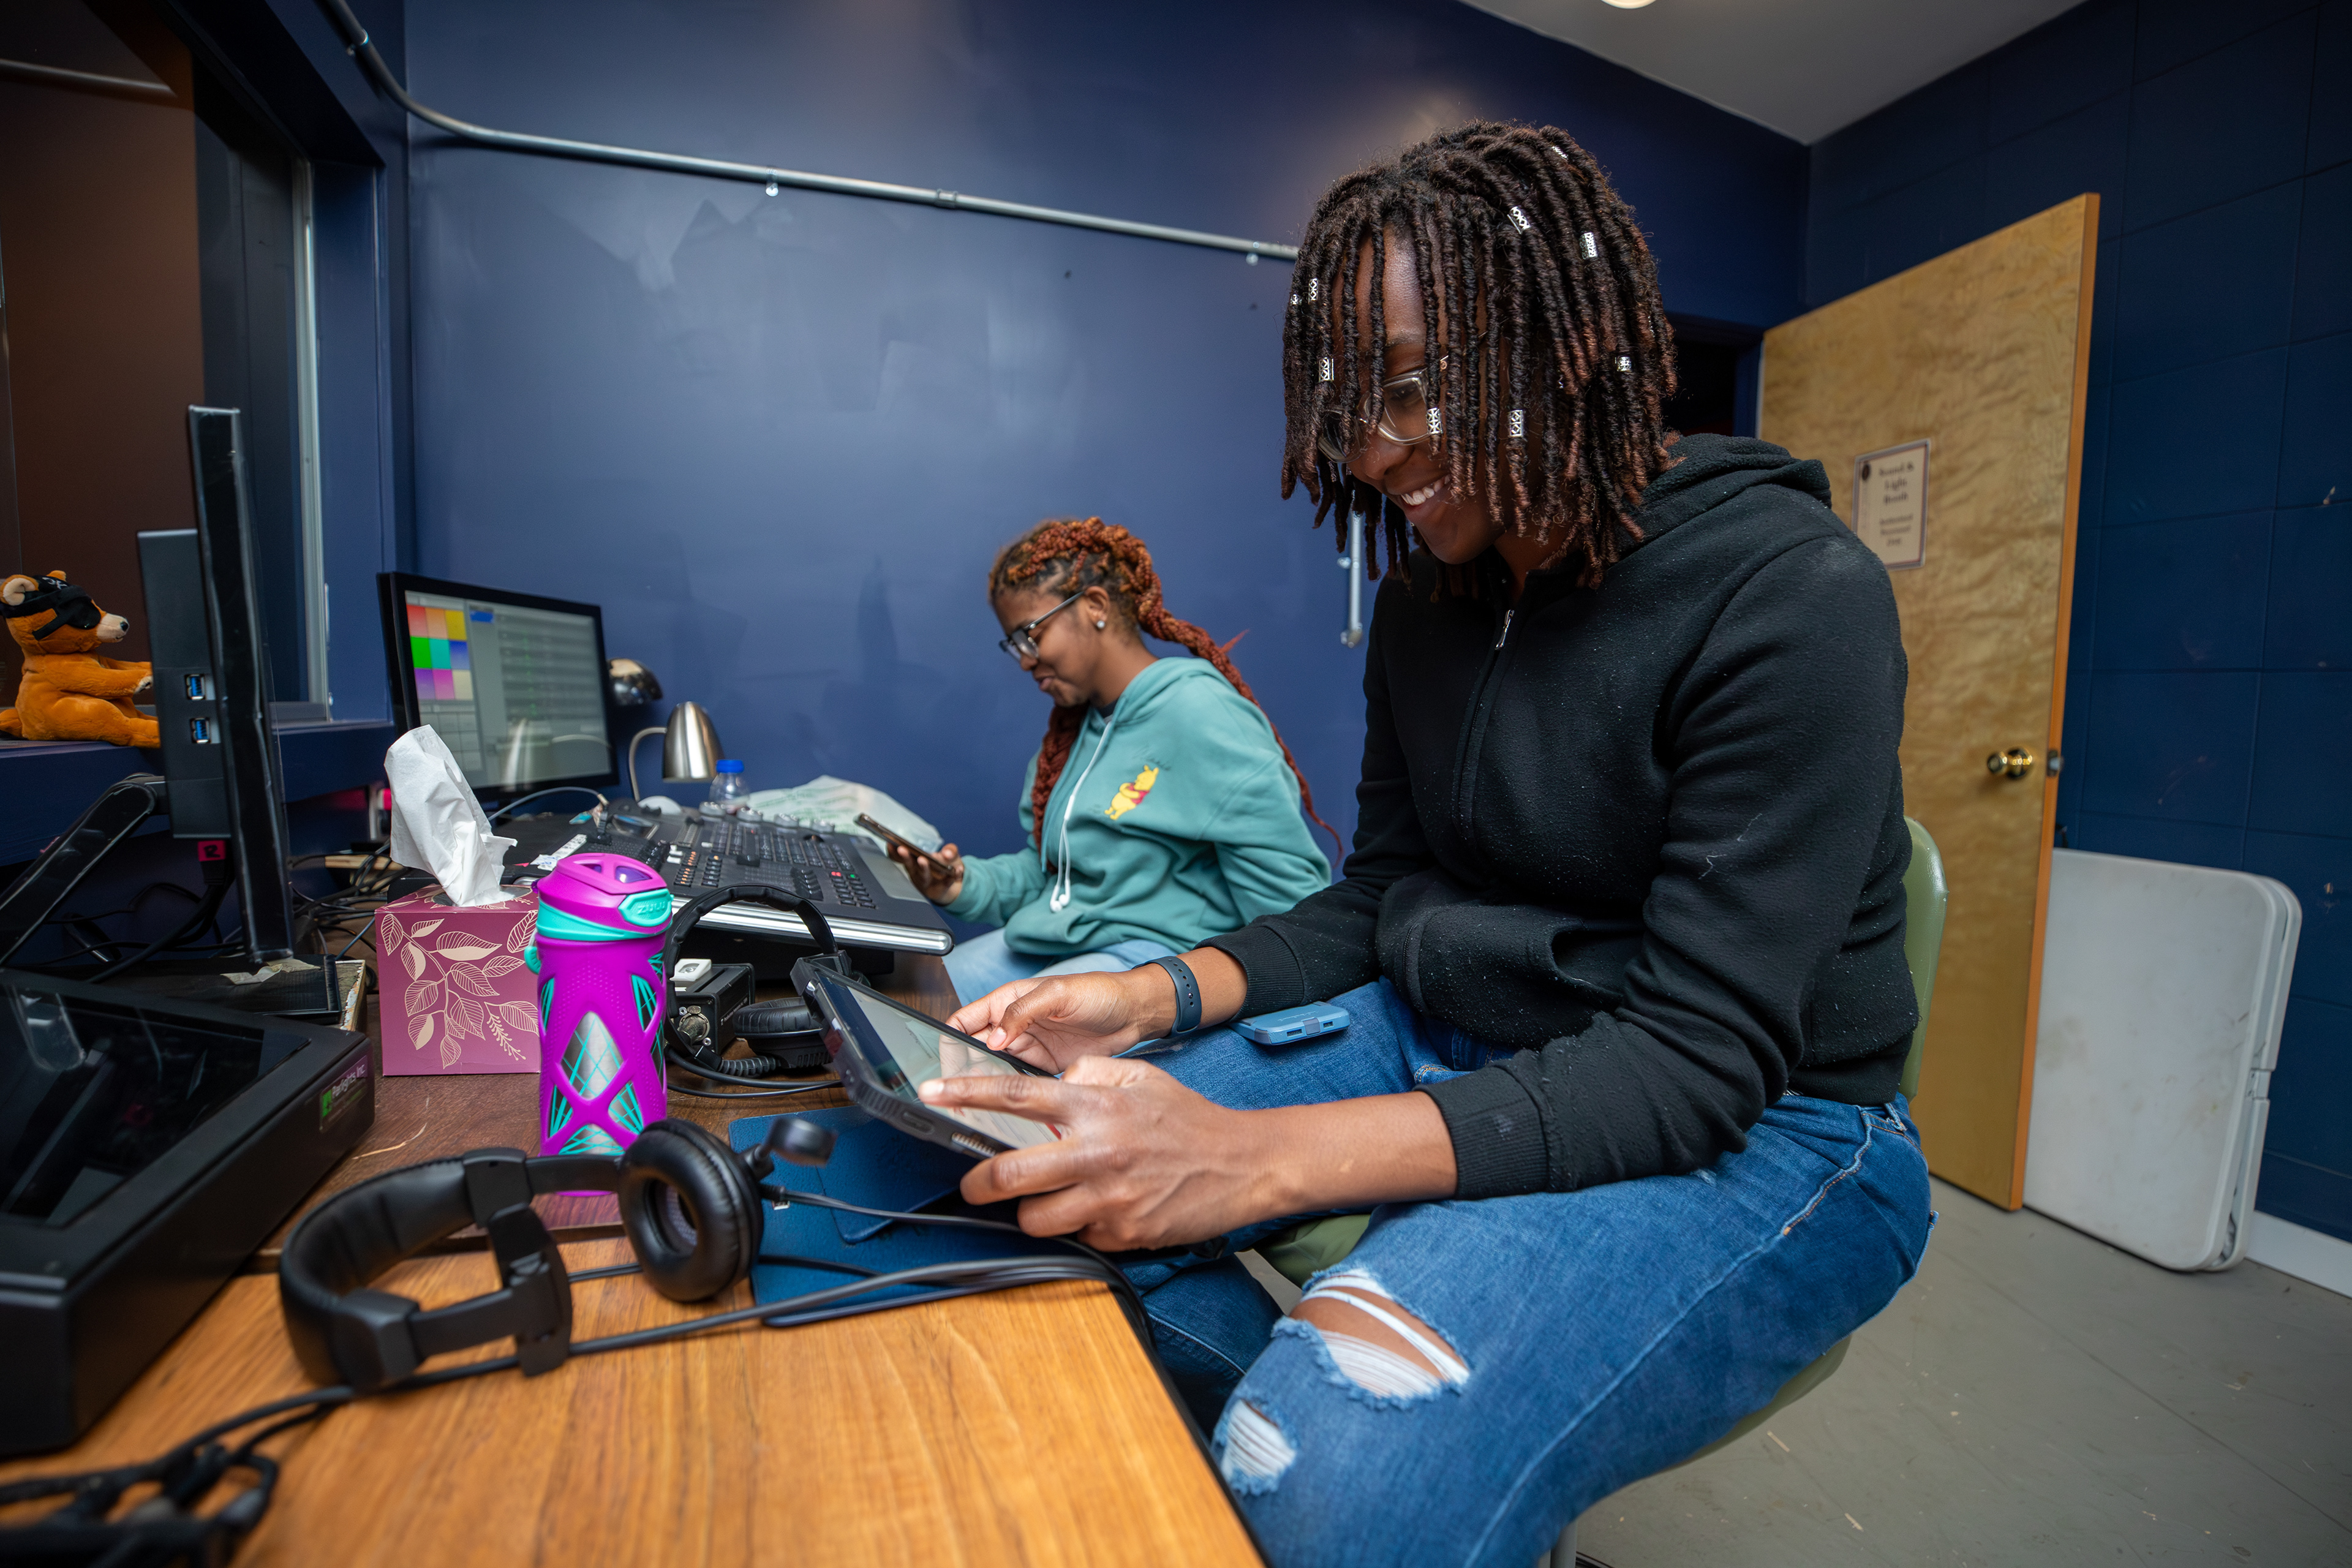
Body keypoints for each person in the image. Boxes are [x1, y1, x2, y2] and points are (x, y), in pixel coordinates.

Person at [917, 124, 1934, 1567]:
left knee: (1319, 1473)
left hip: (1765, 1120)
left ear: (1561, 347)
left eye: (1408, 389)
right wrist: (1143, 995)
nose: (1373, 452)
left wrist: (1252, 1158)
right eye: (1347, 408)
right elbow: (1381, 896)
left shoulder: (1788, 592)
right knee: (1036, 1185)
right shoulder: (1429, 601)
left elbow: (1701, 1057)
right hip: (1449, 1027)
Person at [892, 518, 1336, 1003]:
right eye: (1014, 643)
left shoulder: (1200, 714)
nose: (1024, 659)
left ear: (1095, 606)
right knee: (910, 998)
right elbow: (1053, 878)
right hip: (1057, 944)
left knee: (997, 1030)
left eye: (1030, 635)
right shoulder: (1072, 732)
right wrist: (957, 885)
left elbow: (1294, 914)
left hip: (1157, 961)